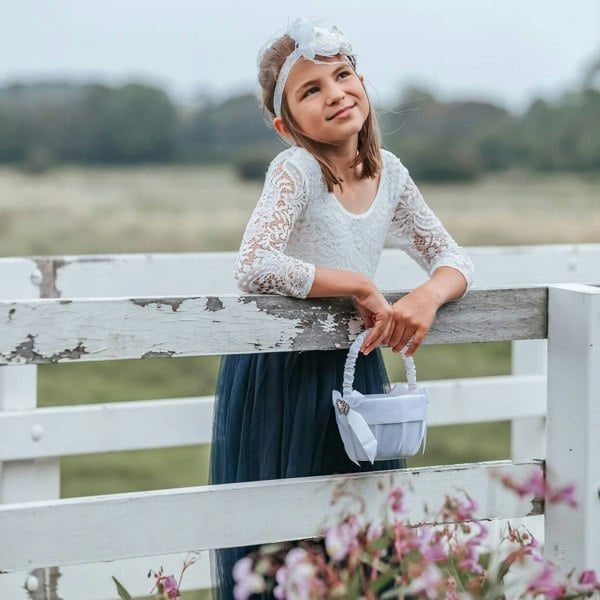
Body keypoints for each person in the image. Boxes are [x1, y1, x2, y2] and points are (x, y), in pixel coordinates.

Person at [209, 18, 474, 599]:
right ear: (287, 124)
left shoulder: (390, 174)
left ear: (362, 82)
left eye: (342, 75)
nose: (334, 94)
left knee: (361, 534)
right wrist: (354, 283)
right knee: (281, 542)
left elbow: (454, 258)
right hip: (281, 371)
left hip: (355, 369)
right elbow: (254, 263)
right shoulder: (297, 170)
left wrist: (427, 295)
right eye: (310, 90)